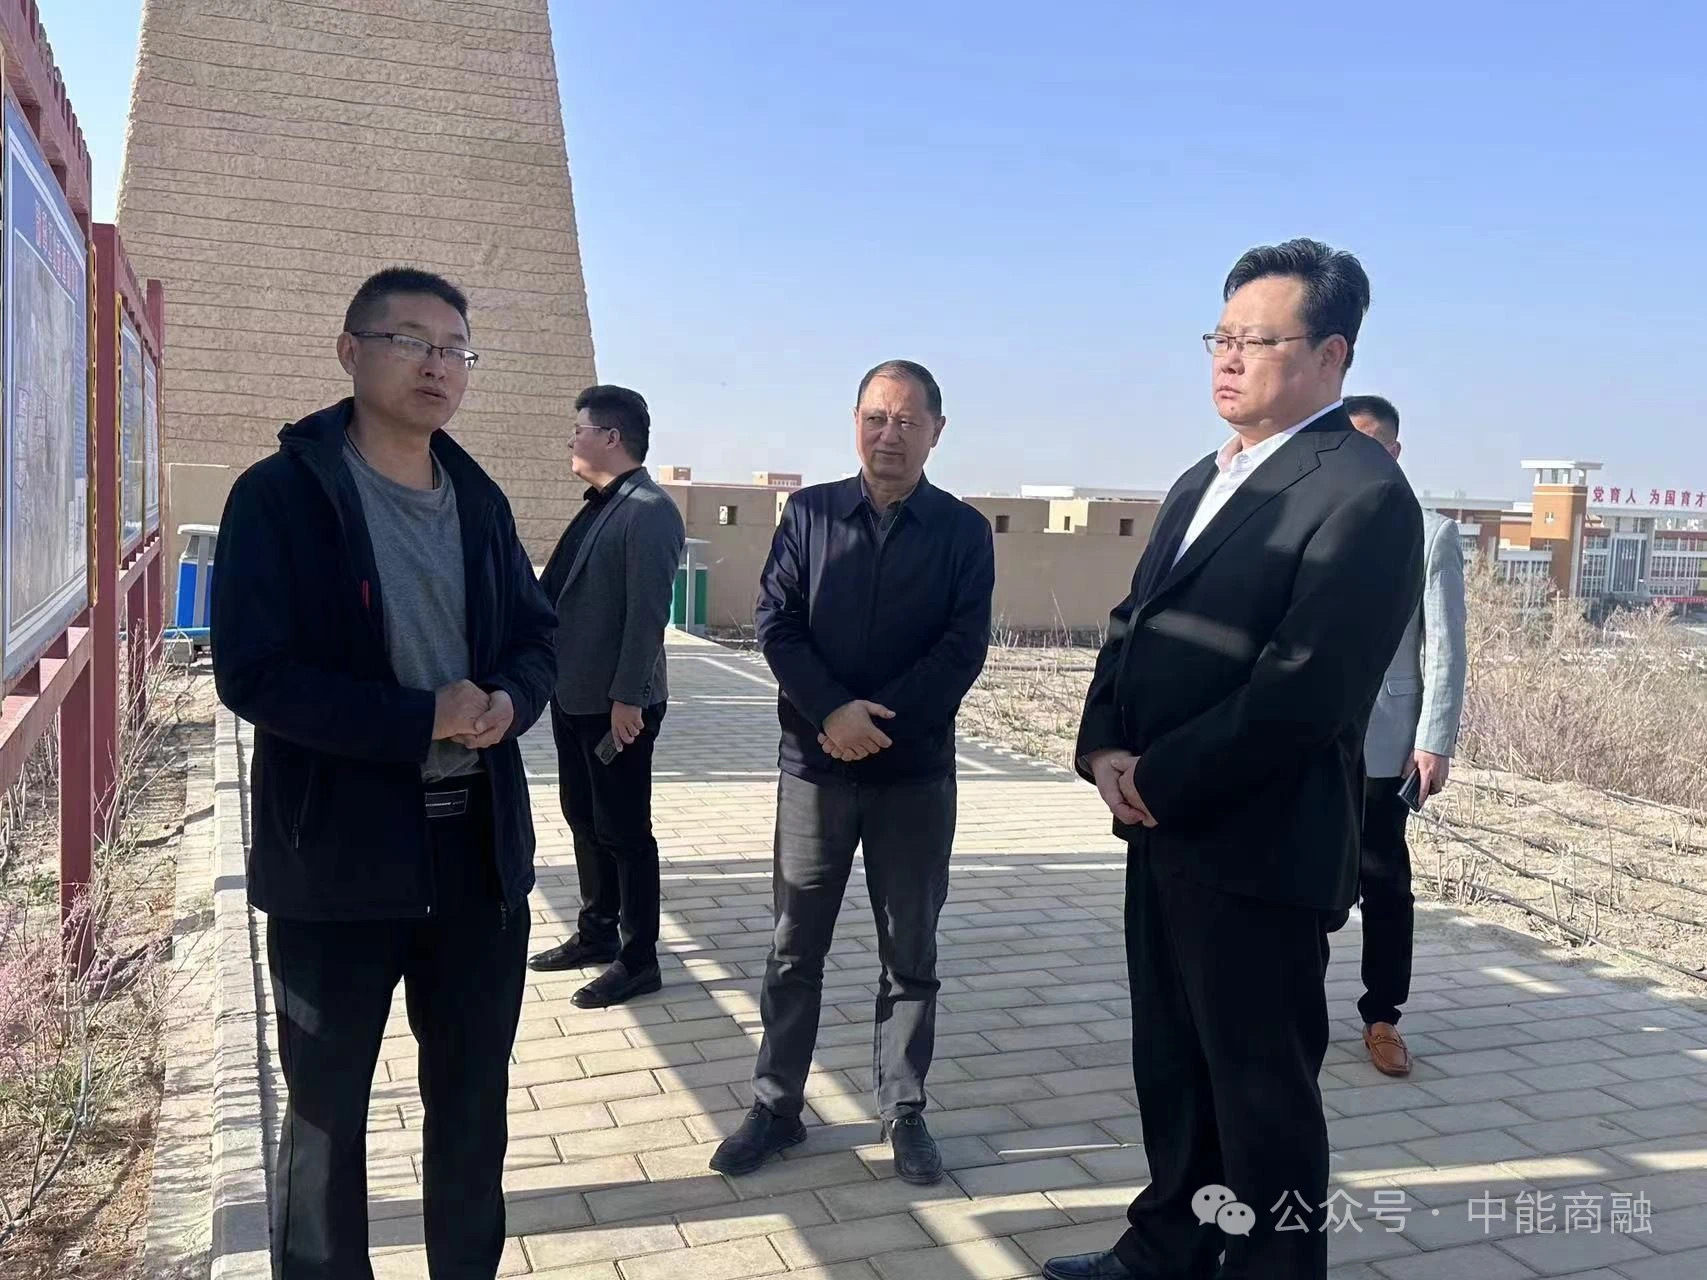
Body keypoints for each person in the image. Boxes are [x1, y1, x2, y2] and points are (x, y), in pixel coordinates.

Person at [1044, 240, 1424, 1280]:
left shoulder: (1362, 493)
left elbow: (1305, 688)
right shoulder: (1200, 478)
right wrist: (1103, 746)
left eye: (1259, 340)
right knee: (1171, 1062)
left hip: (1260, 846)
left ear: (1332, 354)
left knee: (1262, 1093)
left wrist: (1159, 778)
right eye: (1220, 336)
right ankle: (1166, 1244)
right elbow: (1133, 622)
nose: (1228, 358)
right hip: (1160, 829)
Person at [211, 267, 557, 1279]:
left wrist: (511, 700)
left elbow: (536, 639)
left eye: (454, 348)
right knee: (325, 1121)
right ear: (351, 351)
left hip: (475, 856)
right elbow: (254, 673)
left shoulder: (479, 499)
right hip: (336, 860)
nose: (436, 364)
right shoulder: (281, 497)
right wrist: (419, 718)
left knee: (473, 1109)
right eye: (410, 340)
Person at [709, 360, 995, 1185]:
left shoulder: (962, 532)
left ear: (936, 431)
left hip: (913, 778)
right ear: (854, 422)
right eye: (875, 417)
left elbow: (960, 649)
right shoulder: (808, 514)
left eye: (906, 421)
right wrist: (832, 712)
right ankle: (776, 1107)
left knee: (910, 952)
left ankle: (903, 1110)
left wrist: (877, 727)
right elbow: (776, 621)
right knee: (793, 947)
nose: (888, 434)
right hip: (814, 768)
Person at [528, 385, 686, 1007]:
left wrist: (628, 700)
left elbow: (647, 616)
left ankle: (638, 958)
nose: (571, 438)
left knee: (624, 830)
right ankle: (596, 932)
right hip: (574, 694)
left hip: (618, 705)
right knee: (583, 816)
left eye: (580, 429)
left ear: (612, 437)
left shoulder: (649, 511)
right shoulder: (603, 506)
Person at [1345, 394, 1468, 1077]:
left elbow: (1445, 646)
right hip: (1308, 737)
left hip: (1386, 741)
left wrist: (1434, 740)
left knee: (1384, 880)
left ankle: (1383, 1016)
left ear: (1394, 452)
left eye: (1372, 444)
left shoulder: (1431, 533)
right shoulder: (1310, 519)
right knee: (1304, 876)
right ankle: (1289, 1012)